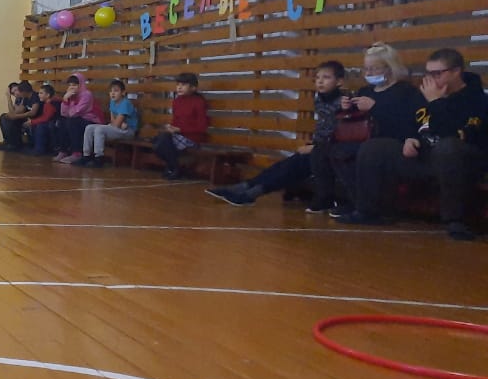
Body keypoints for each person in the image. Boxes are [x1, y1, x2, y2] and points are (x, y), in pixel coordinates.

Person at [338, 48, 485, 240]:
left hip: (460, 160)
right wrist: (412, 138)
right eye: (428, 73)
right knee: (375, 148)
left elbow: (459, 135)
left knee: (448, 147)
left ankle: (455, 220)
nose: (431, 79)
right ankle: (368, 211)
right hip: (426, 155)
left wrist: (436, 103)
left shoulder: (476, 99)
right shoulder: (425, 95)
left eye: (437, 73)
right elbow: (416, 124)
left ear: (456, 71)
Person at [205, 62, 347, 206]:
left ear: (339, 82)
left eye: (326, 77)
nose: (320, 81)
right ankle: (245, 186)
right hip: (318, 149)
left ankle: (252, 194)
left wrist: (315, 148)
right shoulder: (320, 100)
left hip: (330, 152)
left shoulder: (344, 103)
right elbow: (324, 129)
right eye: (317, 78)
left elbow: (342, 136)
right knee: (283, 165)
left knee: (295, 166)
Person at [330, 42, 427, 217]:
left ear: (389, 68)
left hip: (393, 141)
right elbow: (356, 118)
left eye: (374, 69)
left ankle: (368, 206)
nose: (368, 73)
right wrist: (346, 107)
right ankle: (356, 201)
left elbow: (409, 123)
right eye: (366, 69)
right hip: (366, 138)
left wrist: (375, 107)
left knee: (363, 151)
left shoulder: (406, 92)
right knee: (332, 150)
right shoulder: (365, 91)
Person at [153, 72, 208, 179]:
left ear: (193, 87)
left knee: (161, 141)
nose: (179, 87)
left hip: (192, 138)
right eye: (178, 84)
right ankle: (174, 167)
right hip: (178, 136)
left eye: (183, 85)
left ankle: (173, 168)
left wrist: (180, 129)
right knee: (158, 141)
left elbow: (202, 127)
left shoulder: (199, 102)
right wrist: (171, 128)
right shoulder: (177, 101)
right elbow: (176, 121)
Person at [73, 79, 140, 167]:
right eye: (111, 91)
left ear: (123, 93)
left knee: (99, 129)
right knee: (89, 127)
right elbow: (114, 122)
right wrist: (119, 124)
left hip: (129, 131)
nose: (112, 93)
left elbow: (116, 124)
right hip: (119, 128)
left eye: (116, 91)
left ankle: (99, 158)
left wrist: (118, 124)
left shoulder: (125, 103)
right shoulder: (112, 102)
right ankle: (86, 155)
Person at [52, 73, 104, 163]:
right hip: (78, 119)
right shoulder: (71, 96)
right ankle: (63, 151)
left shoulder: (87, 95)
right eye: (70, 85)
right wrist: (65, 99)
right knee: (62, 121)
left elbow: (75, 112)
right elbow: (63, 113)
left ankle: (77, 153)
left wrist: (69, 103)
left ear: (81, 84)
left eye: (75, 85)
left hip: (91, 120)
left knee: (72, 121)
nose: (72, 87)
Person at [0, 81, 39, 151]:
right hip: (25, 118)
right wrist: (8, 97)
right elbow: (15, 112)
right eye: (13, 93)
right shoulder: (22, 98)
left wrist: (14, 116)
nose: (16, 93)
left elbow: (32, 112)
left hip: (32, 118)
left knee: (10, 120)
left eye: (16, 90)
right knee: (4, 117)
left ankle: (13, 144)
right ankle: (9, 142)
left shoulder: (31, 96)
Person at [27, 84, 58, 155]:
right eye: (39, 93)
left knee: (41, 126)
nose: (38, 95)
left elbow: (46, 118)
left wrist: (32, 121)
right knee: (35, 124)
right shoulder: (46, 103)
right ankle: (35, 146)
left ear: (48, 95)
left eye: (41, 93)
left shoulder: (51, 104)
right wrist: (33, 121)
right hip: (51, 122)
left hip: (54, 123)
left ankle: (39, 149)